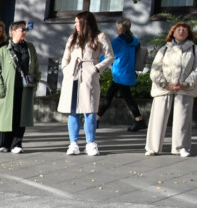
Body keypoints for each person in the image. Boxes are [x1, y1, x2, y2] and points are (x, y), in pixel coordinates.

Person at [57, 11, 113, 157]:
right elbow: (65, 57)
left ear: (85, 23)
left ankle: (90, 143)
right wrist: (66, 69)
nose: (75, 25)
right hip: (72, 75)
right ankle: (73, 143)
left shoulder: (100, 37)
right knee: (73, 111)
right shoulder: (72, 38)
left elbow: (110, 57)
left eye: (77, 22)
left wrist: (96, 69)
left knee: (90, 110)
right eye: (75, 22)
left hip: (89, 76)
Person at [147, 21, 197, 158]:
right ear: (173, 32)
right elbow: (155, 69)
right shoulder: (164, 49)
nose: (181, 31)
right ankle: (153, 147)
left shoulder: (194, 49)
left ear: (188, 33)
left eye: (184, 29)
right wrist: (164, 83)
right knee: (158, 118)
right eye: (179, 29)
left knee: (182, 119)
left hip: (185, 89)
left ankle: (181, 147)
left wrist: (186, 83)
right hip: (163, 89)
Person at [0, 20, 40, 154]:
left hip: (25, 88)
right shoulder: (3, 50)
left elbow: (36, 66)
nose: (25, 32)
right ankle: (3, 144)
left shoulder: (30, 48)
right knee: (6, 116)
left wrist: (36, 81)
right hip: (8, 89)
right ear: (13, 32)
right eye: (22, 30)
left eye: (26, 30)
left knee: (21, 116)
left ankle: (17, 144)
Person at [101, 20, 145, 132]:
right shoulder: (134, 41)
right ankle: (97, 118)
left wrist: (97, 62)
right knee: (112, 96)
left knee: (125, 98)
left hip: (119, 73)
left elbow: (108, 54)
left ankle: (139, 120)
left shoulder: (118, 41)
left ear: (120, 28)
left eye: (117, 27)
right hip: (128, 72)